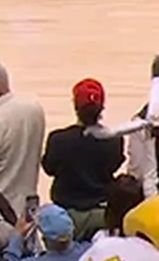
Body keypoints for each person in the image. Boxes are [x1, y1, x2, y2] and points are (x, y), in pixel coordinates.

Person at [42, 80, 125, 239]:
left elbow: (49, 168)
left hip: (65, 215)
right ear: (102, 107)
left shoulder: (58, 139)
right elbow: (115, 165)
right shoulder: (114, 140)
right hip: (102, 214)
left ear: (75, 106)